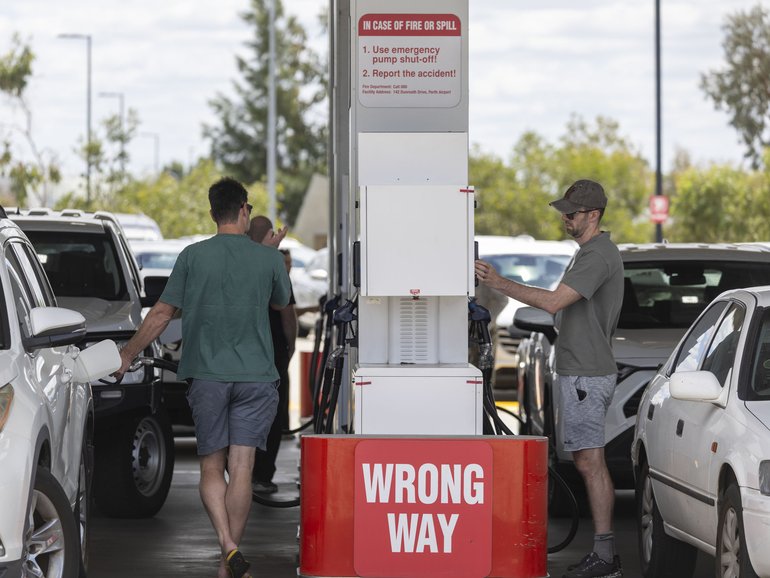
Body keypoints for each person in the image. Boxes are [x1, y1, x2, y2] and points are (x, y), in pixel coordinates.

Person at [113, 177, 291, 578]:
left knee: (212, 467)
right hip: (257, 378)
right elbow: (281, 303)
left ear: (213, 214)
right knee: (242, 468)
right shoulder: (268, 259)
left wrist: (127, 354)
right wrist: (269, 255)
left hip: (207, 377)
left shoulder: (192, 256)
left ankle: (226, 547)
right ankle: (228, 562)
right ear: (244, 210)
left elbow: (160, 314)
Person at [475, 179, 624, 578]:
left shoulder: (596, 256)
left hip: (586, 374)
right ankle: (604, 553)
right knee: (585, 459)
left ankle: (606, 556)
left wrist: (499, 283)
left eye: (572, 213)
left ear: (593, 215)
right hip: (580, 370)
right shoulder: (587, 253)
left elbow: (556, 301)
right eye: (564, 211)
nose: (565, 218)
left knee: (590, 462)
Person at [248, 215, 298, 494]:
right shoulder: (272, 266)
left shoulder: (238, 263)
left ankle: (243, 474)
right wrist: (289, 350)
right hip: (273, 354)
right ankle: (263, 475)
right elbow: (286, 312)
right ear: (270, 235)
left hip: (244, 352)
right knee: (273, 414)